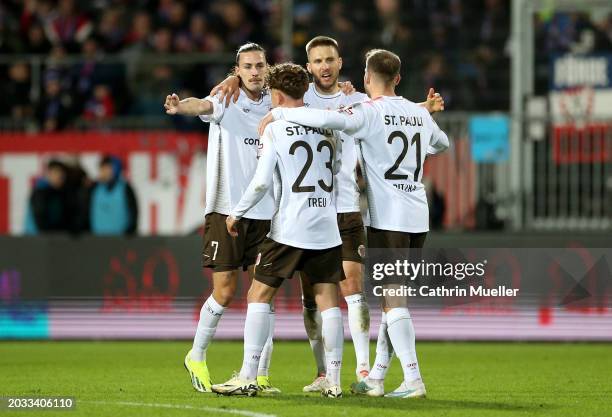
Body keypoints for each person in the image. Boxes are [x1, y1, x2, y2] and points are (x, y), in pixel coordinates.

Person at [213, 35, 444, 393]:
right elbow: (441, 143)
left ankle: (410, 377)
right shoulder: (412, 112)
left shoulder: (356, 110)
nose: (325, 66)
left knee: (273, 295)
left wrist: (280, 114)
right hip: (411, 216)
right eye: (318, 61)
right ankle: (360, 376)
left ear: (364, 77)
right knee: (352, 299)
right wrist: (419, 114)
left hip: (332, 221)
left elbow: (322, 122)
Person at [212, 63, 345, 398]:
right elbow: (339, 166)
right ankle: (334, 380)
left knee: (259, 295)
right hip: (327, 226)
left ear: (277, 93)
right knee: (328, 300)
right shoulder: (327, 126)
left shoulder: (274, 127)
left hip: (290, 227)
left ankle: (247, 376)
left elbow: (260, 182)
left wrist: (236, 214)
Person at [163, 42, 280, 394]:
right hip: (226, 208)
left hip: (267, 212)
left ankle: (259, 375)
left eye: (260, 65)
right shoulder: (226, 99)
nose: (255, 72)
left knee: (264, 294)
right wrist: (180, 106)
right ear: (238, 69)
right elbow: (202, 105)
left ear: (267, 67)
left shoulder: (278, 103)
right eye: (247, 66)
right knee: (226, 292)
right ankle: (196, 354)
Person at [88, 155, 138, 235]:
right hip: (97, 238)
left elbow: (133, 212)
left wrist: (130, 231)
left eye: (106, 168)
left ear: (115, 169)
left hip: (120, 238)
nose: (102, 171)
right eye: (101, 168)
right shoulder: (94, 188)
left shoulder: (125, 188)